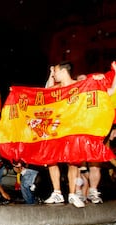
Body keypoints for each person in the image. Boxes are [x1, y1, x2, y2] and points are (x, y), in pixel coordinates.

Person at [43, 61, 85, 208]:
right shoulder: (55, 89)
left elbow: (96, 89)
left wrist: (98, 78)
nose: (54, 74)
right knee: (51, 160)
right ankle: (57, 193)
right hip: (56, 128)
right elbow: (44, 91)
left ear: (62, 71)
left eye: (55, 71)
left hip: (73, 127)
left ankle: (73, 194)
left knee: (72, 162)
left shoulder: (79, 85)